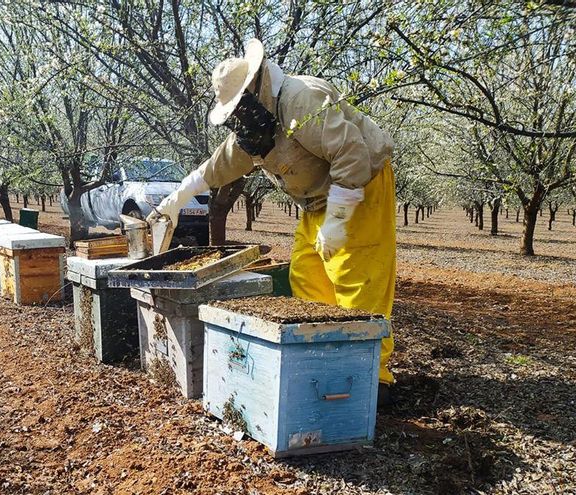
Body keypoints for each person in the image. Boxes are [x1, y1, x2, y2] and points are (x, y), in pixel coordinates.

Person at [148, 39, 396, 404]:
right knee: (307, 276)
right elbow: (221, 164)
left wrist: (339, 219)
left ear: (254, 87)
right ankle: (325, 358)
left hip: (360, 186)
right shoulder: (257, 122)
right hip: (317, 200)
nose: (236, 118)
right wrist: (176, 199)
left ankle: (373, 378)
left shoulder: (300, 100)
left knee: (356, 279)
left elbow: (352, 154)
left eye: (237, 107)